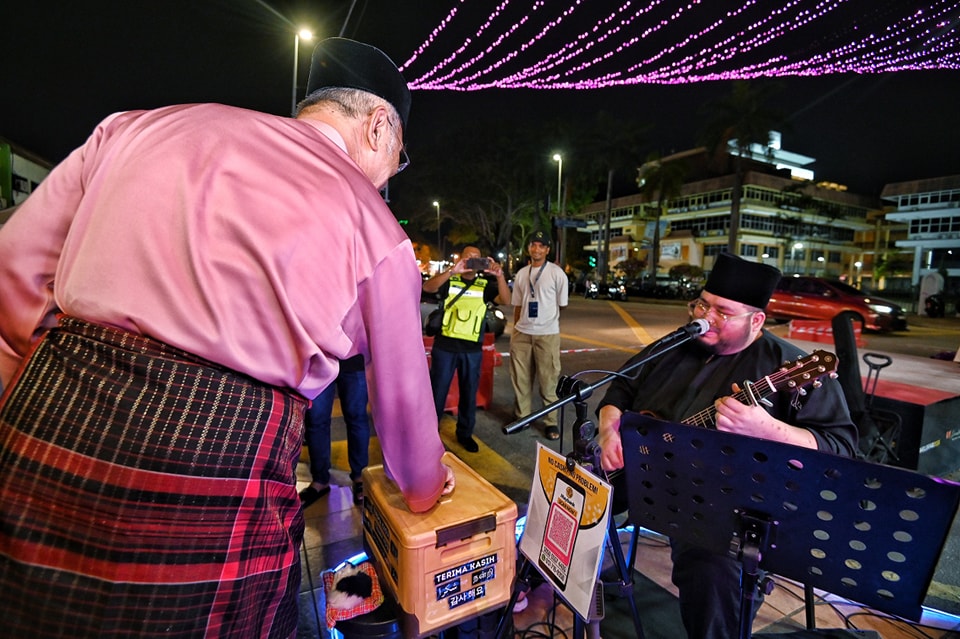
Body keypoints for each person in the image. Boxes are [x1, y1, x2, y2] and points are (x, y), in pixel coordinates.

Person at [0, 37, 454, 638]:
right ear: (378, 127)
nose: (388, 178)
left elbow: (13, 282)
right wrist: (425, 487)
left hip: (44, 440)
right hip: (217, 481)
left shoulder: (132, 130)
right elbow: (402, 408)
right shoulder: (375, 230)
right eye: (397, 158)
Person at [596, 252, 858, 639]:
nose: (705, 316)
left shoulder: (793, 367)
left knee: (709, 567)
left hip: (727, 499)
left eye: (722, 311)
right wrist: (607, 429)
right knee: (573, 493)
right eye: (702, 304)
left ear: (756, 320)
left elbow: (841, 449)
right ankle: (541, 577)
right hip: (646, 470)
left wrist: (768, 429)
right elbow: (622, 385)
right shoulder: (677, 345)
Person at [422, 247, 510, 452]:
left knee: (469, 394)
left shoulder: (485, 285)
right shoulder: (450, 281)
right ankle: (429, 436)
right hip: (445, 346)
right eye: (467, 257)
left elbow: (507, 301)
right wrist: (453, 271)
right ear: (461, 258)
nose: (471, 261)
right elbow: (428, 288)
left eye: (476, 258)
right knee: (437, 393)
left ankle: (465, 433)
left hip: (472, 349)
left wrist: (500, 276)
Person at [509, 230, 569, 440]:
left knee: (548, 380)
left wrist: (546, 322)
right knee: (521, 379)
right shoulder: (522, 274)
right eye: (533, 245)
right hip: (522, 333)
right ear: (528, 248)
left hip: (547, 334)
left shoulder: (556, 274)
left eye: (541, 246)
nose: (536, 249)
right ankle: (522, 417)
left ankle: (550, 422)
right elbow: (517, 305)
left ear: (547, 250)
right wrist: (517, 329)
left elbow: (562, 305)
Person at [300, 355, 370, 507]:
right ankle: (320, 479)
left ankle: (360, 477)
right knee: (316, 420)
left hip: (353, 355)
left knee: (357, 418)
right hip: (319, 357)